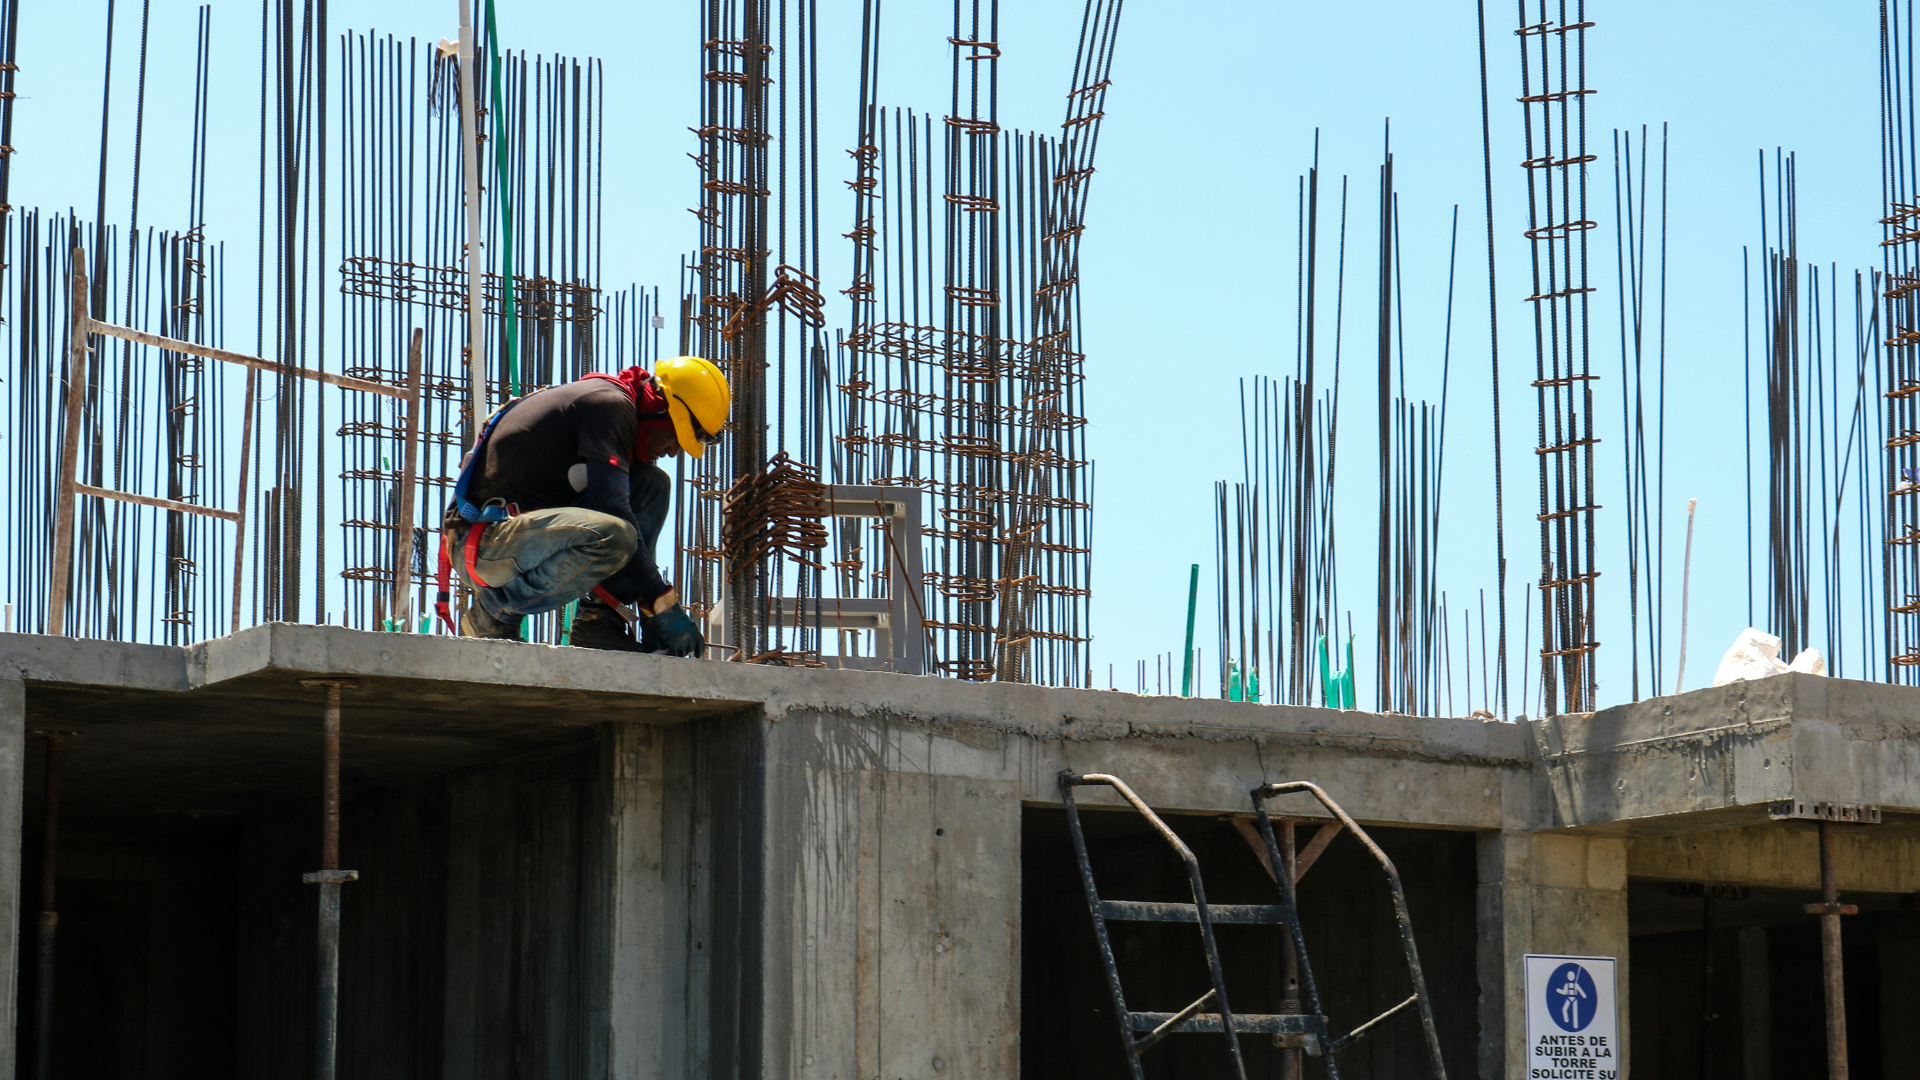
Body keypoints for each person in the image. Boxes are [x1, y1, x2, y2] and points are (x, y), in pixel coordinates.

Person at [440, 356, 729, 654]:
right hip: (485, 544)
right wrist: (662, 601)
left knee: (652, 484)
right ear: (659, 412)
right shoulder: (609, 405)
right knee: (615, 534)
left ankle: (599, 622)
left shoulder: (613, 407)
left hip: (522, 537)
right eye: (676, 438)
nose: (672, 452)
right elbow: (615, 512)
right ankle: (493, 612)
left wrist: (649, 609)